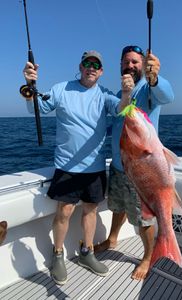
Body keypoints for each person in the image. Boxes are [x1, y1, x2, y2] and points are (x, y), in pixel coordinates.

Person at [22, 50, 134, 285]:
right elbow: (36, 110)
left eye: (96, 65)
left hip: (94, 167)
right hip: (67, 166)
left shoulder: (104, 95)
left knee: (91, 210)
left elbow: (122, 109)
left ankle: (87, 253)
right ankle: (58, 255)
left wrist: (126, 93)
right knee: (64, 212)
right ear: (81, 66)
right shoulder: (62, 89)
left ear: (101, 71)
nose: (91, 67)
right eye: (87, 63)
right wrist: (29, 85)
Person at [94, 45, 174, 280]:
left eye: (135, 62)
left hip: (141, 171)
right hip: (119, 167)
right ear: (120, 64)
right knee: (117, 208)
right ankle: (112, 238)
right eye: (126, 61)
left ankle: (148, 256)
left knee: (143, 219)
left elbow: (167, 96)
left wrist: (156, 78)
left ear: (142, 65)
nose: (130, 65)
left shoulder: (148, 89)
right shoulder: (120, 95)